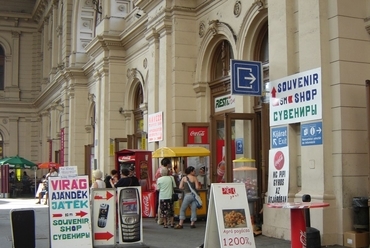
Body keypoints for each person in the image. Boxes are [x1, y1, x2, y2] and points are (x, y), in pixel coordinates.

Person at [155, 158, 172, 223]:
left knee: (161, 206)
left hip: (160, 189)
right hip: (166, 190)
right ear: (167, 164)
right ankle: (168, 220)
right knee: (168, 206)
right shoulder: (165, 170)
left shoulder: (158, 169)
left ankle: (160, 219)